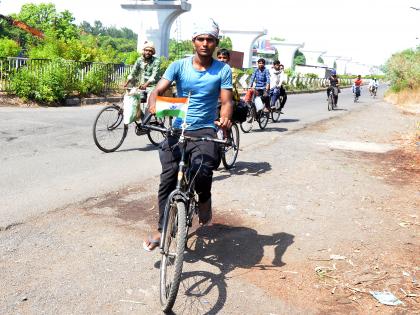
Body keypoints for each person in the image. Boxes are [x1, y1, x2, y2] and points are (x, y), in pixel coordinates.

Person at [143, 18, 233, 251]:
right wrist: (153, 104)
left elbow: (226, 101)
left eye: (210, 40)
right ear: (193, 41)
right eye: (201, 39)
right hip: (178, 127)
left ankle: (204, 200)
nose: (205, 43)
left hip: (204, 128)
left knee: (203, 171)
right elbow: (158, 89)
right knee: (168, 177)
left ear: (215, 43)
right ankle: (163, 229)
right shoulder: (178, 65)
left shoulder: (222, 69)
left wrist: (224, 117)